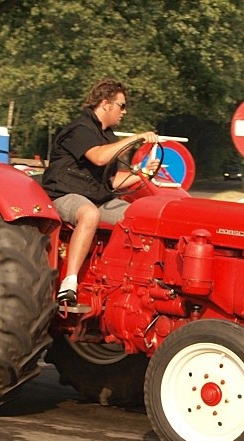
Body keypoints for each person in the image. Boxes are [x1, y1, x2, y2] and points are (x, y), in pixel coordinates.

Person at [41, 78, 160, 306]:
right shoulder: (80, 129)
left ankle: (127, 280)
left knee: (139, 216)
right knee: (89, 214)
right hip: (63, 195)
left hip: (96, 197)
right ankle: (69, 283)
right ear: (105, 103)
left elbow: (113, 181)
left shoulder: (109, 137)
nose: (124, 112)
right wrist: (136, 138)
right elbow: (98, 157)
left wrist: (143, 172)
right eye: (121, 105)